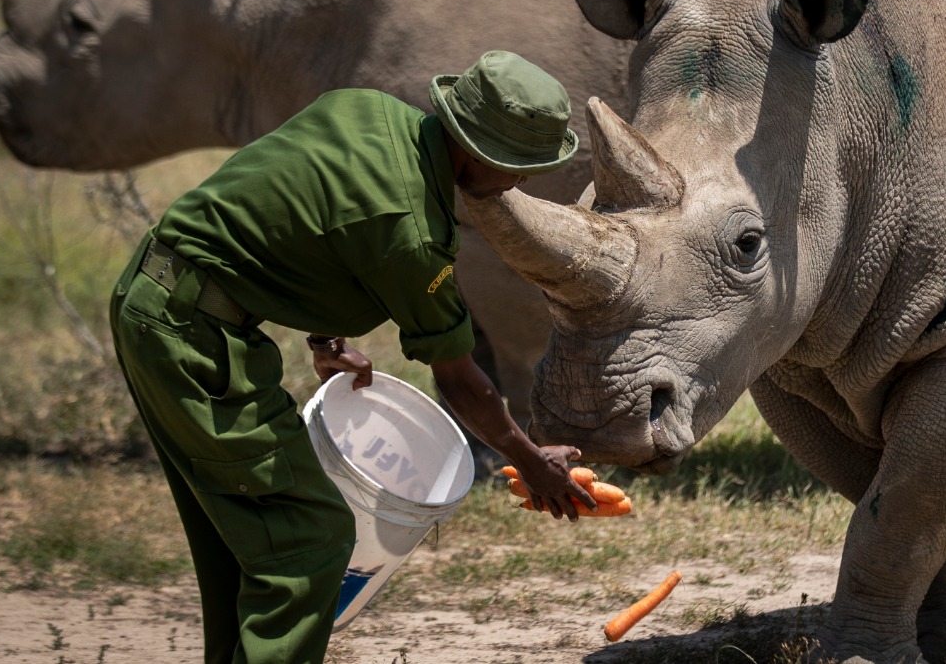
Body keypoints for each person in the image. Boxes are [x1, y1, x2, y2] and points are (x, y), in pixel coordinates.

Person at [108, 50, 597, 664]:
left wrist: (325, 336)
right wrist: (530, 460)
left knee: (242, 541)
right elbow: (458, 376)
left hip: (154, 296)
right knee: (308, 540)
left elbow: (297, 207)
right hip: (192, 339)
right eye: (519, 167)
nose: (520, 182)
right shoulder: (413, 231)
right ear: (481, 153)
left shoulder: (367, 109)